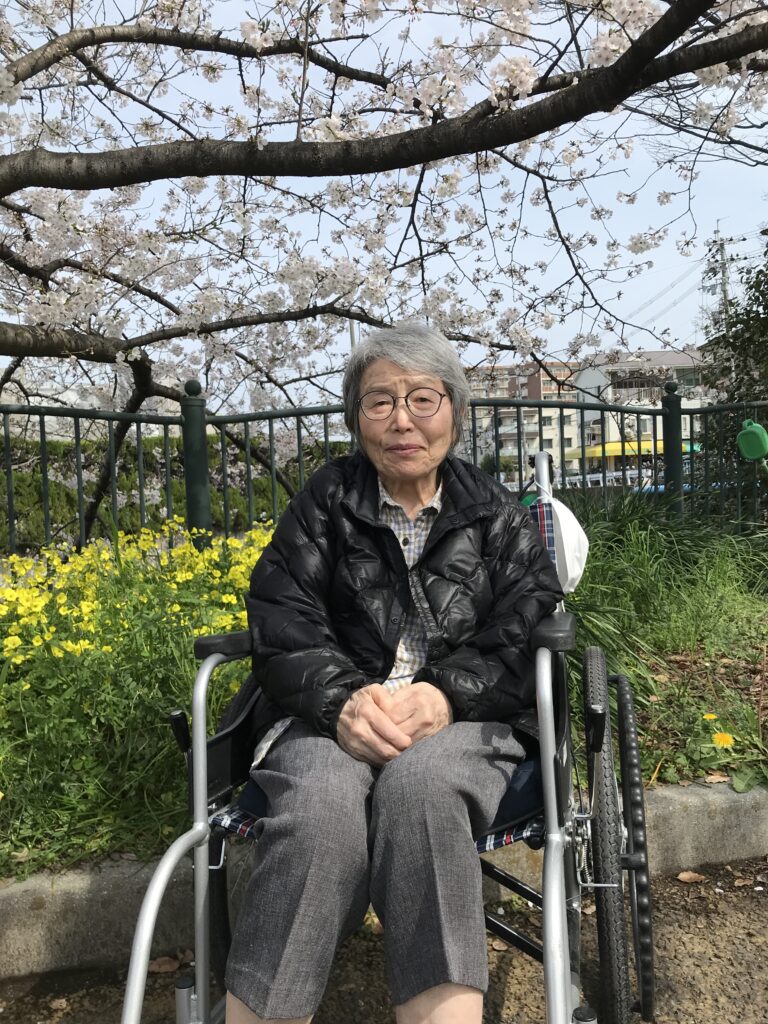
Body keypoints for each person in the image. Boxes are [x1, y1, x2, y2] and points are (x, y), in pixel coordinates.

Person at [225, 322, 563, 1024]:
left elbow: (525, 626)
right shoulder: (324, 503)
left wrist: (445, 694)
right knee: (318, 806)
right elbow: (283, 616)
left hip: (463, 724)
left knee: (423, 789)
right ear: (356, 419)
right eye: (379, 401)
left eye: (422, 399)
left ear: (455, 413)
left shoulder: (498, 515)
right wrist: (344, 701)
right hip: (329, 721)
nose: (402, 420)